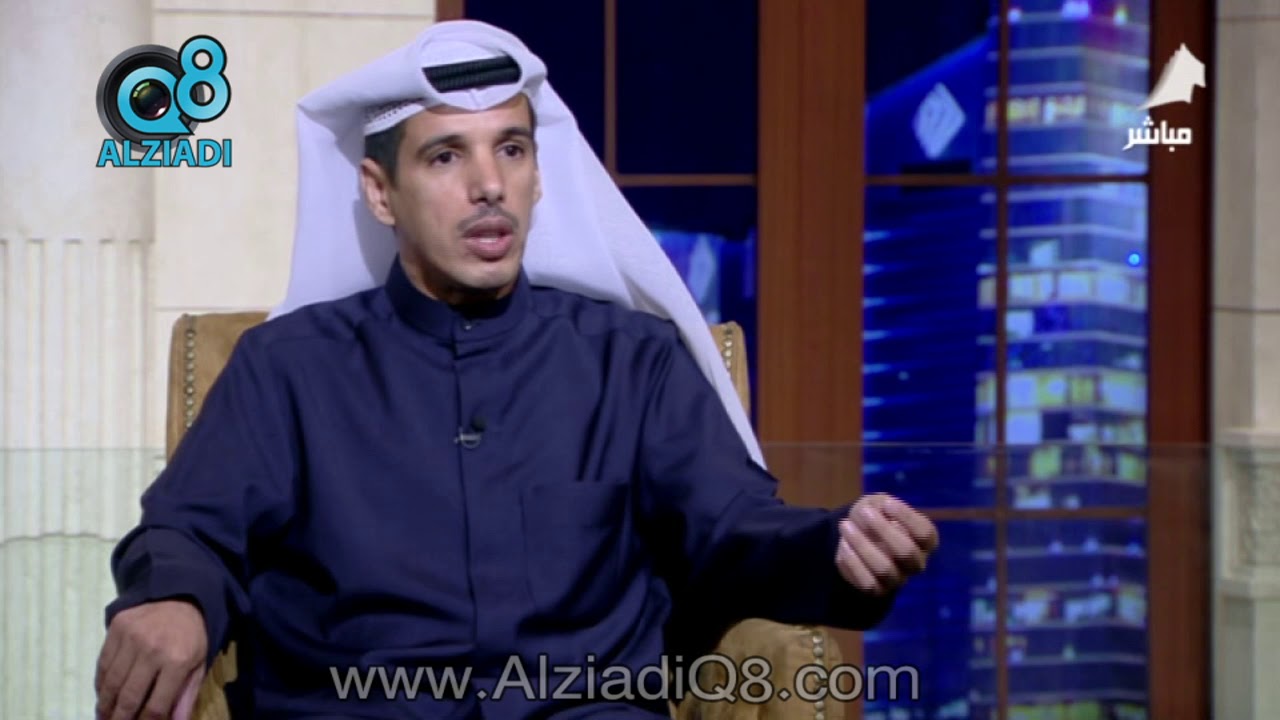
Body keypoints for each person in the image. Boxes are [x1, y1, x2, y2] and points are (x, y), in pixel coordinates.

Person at [95, 20, 939, 720]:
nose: (489, 185)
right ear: (381, 193)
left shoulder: (633, 362)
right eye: (445, 157)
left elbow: (733, 529)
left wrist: (836, 548)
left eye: (512, 149)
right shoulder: (287, 368)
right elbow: (187, 529)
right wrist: (175, 597)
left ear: (539, 177)